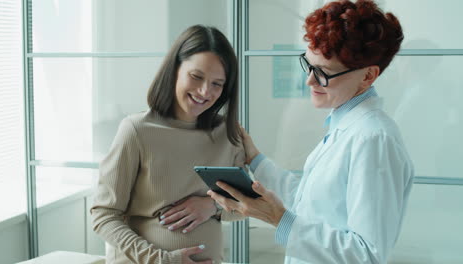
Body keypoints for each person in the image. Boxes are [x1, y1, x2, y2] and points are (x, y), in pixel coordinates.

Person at [208, 0, 414, 263]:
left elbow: (367, 255)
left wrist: (277, 218)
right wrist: (255, 159)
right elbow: (309, 204)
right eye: (309, 65)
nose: (309, 80)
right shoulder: (343, 124)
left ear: (367, 76)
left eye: (324, 72)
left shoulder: (373, 138)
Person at [90, 25, 245, 264]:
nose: (205, 91)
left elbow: (244, 205)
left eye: (217, 83)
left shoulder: (227, 134)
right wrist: (163, 260)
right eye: (196, 77)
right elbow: (103, 215)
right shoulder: (137, 131)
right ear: (174, 70)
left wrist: (212, 205)